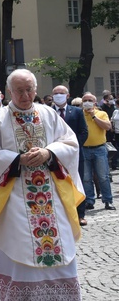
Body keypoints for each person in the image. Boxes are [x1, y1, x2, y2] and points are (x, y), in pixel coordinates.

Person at [0, 69, 84, 301]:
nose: (25, 95)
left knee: (59, 245)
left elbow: (70, 143)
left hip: (50, 195)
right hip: (14, 195)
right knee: (19, 247)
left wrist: (50, 153)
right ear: (9, 92)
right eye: (19, 90)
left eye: (29, 90)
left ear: (35, 89)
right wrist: (16, 159)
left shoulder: (48, 114)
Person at [52, 86, 89, 226]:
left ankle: (80, 214)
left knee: (77, 182)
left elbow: (84, 132)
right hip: (54, 154)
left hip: (74, 154)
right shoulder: (48, 112)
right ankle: (60, 215)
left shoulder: (77, 111)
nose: (58, 95)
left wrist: (71, 147)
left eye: (61, 93)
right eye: (55, 93)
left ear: (67, 95)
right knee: (58, 183)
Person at [80, 92, 114, 211]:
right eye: (85, 100)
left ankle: (108, 200)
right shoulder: (79, 114)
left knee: (103, 176)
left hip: (99, 148)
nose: (87, 102)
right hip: (84, 149)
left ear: (95, 102)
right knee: (86, 177)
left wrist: (94, 116)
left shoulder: (101, 113)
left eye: (90, 100)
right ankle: (89, 200)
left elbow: (107, 127)